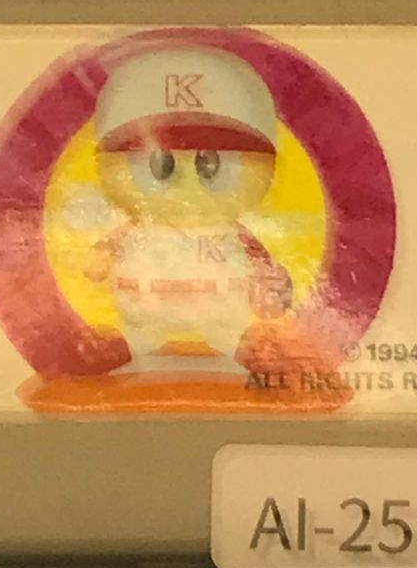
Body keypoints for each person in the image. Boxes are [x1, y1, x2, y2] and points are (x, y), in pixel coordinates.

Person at [88, 47, 294, 367]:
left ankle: (235, 344)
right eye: (160, 164)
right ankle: (131, 345)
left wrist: (271, 284)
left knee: (231, 339)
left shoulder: (234, 232)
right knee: (138, 339)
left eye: (210, 165)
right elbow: (99, 259)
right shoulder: (136, 228)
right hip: (145, 305)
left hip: (222, 305)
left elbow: (260, 263)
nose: (186, 183)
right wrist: (100, 259)